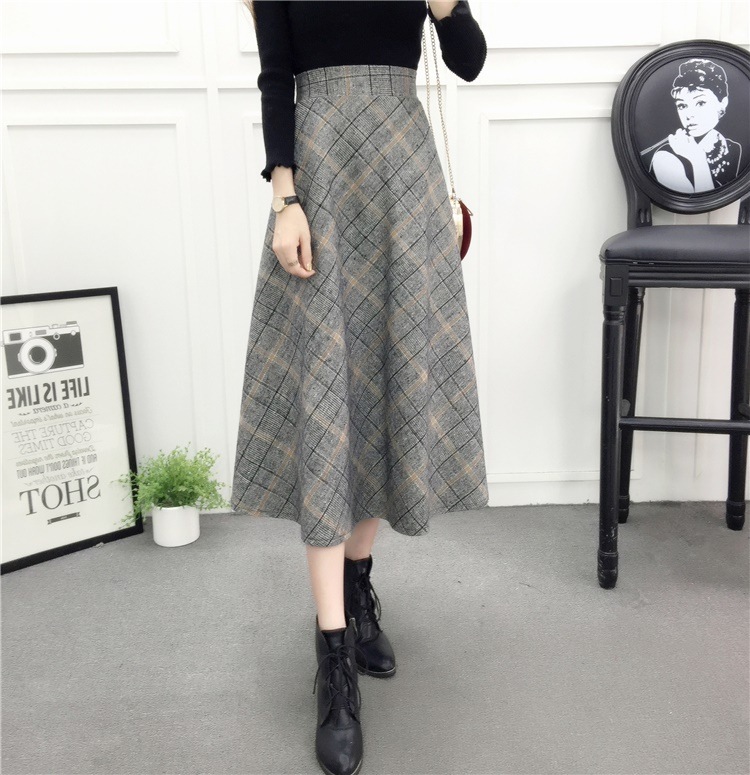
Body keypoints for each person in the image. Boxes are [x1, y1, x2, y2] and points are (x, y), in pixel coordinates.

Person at [232, 3, 489, 774]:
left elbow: (469, 59)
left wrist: (446, 5)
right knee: (325, 386)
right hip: (321, 175)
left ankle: (357, 586)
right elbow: (276, 79)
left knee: (381, 381)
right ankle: (334, 655)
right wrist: (284, 199)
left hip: (403, 176)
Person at [643, 58, 743, 193]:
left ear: (723, 103)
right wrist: (697, 159)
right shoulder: (665, 157)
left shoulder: (732, 147)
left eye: (700, 103)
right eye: (682, 105)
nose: (689, 115)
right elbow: (704, 202)